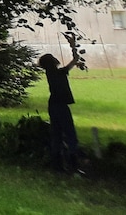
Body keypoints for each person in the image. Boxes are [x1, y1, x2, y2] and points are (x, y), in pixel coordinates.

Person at [39, 32, 85, 172]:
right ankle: (73, 165)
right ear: (53, 62)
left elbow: (74, 60)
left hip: (53, 105)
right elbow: (75, 59)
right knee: (70, 134)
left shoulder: (52, 73)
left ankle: (57, 165)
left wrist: (73, 46)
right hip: (61, 106)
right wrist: (72, 46)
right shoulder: (59, 72)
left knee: (57, 134)